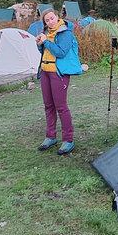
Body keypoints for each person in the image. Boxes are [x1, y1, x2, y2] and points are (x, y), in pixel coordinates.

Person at [35, 9, 82, 155]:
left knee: (61, 107)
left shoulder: (66, 33)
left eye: (51, 18)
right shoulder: (46, 33)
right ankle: (51, 136)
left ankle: (68, 139)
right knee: (48, 106)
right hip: (45, 72)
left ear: (57, 17)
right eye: (46, 20)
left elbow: (61, 52)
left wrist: (46, 42)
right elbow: (44, 51)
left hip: (58, 74)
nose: (49, 22)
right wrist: (39, 44)